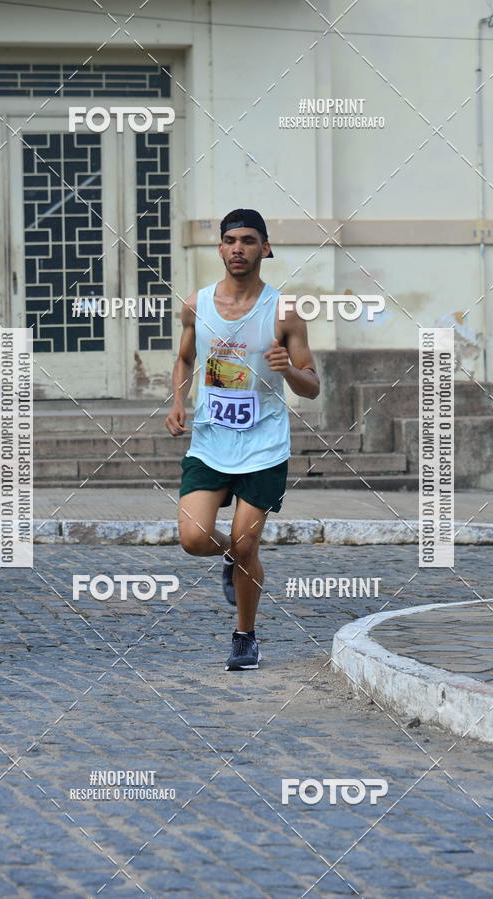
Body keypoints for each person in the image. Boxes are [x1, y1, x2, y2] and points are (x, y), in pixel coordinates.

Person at [165, 209, 320, 670]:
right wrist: (177, 401)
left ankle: (245, 636)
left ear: (265, 249)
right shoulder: (197, 305)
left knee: (247, 542)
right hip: (211, 441)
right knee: (193, 538)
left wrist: (287, 369)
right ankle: (231, 556)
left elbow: (311, 384)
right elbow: (184, 359)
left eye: (248, 241)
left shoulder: (284, 312)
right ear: (220, 249)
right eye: (230, 240)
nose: (238, 248)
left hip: (263, 446)